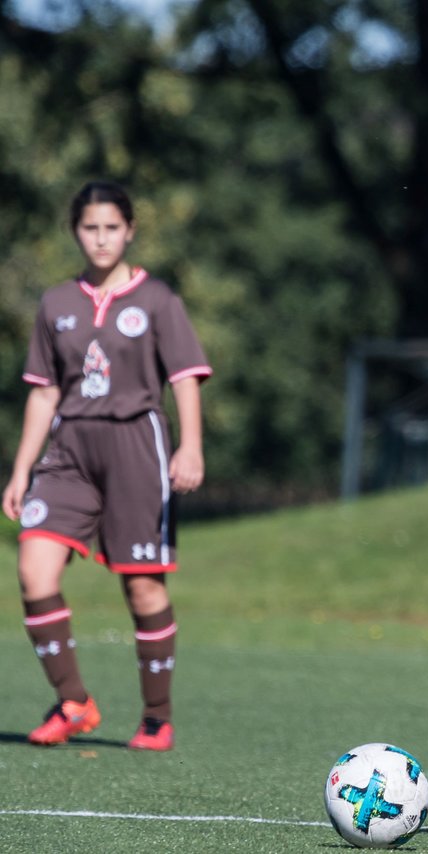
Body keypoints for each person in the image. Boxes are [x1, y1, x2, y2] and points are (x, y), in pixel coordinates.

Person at [3, 181, 211, 752]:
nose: (100, 239)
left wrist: (189, 446)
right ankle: (73, 702)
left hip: (135, 446)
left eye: (111, 228)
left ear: (130, 230)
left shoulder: (157, 300)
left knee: (143, 591)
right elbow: (44, 393)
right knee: (33, 571)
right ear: (76, 231)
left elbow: (185, 376)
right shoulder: (56, 304)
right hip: (68, 450)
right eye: (90, 228)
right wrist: (21, 470)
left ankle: (156, 716)